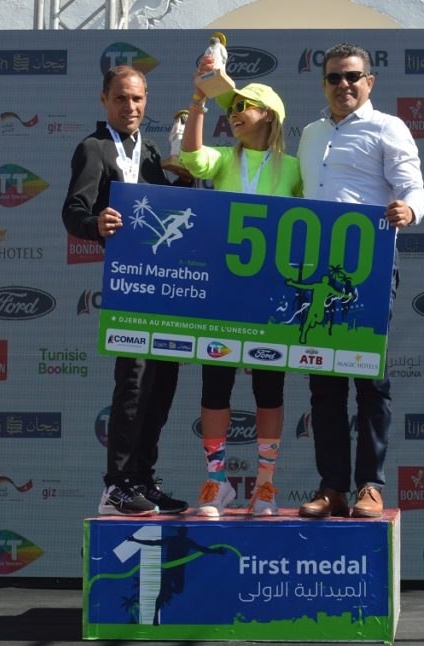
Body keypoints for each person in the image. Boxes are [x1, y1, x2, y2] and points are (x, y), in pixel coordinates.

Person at [296, 43, 424, 519]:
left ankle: (370, 486)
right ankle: (332, 487)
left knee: (370, 380)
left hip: (367, 268)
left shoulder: (388, 127)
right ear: (324, 84)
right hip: (316, 269)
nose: (344, 85)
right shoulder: (309, 134)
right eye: (334, 77)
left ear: (369, 81)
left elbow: (413, 186)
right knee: (323, 384)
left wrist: (409, 209)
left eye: (353, 76)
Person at [62, 64, 190, 516]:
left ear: (146, 100)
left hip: (165, 286)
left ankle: (143, 480)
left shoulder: (151, 150)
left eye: (137, 98)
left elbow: (166, 208)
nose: (130, 106)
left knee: (163, 385)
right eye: (120, 98)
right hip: (129, 286)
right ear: (104, 100)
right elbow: (73, 211)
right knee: (133, 384)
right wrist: (95, 223)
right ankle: (116, 485)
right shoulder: (93, 148)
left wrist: (186, 179)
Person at [180, 54, 302, 517]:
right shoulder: (223, 158)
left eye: (242, 106)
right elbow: (192, 158)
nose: (233, 113)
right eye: (230, 108)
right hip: (223, 292)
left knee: (270, 390)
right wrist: (199, 98)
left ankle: (265, 486)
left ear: (268, 114)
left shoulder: (294, 168)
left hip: (271, 295)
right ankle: (216, 482)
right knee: (216, 386)